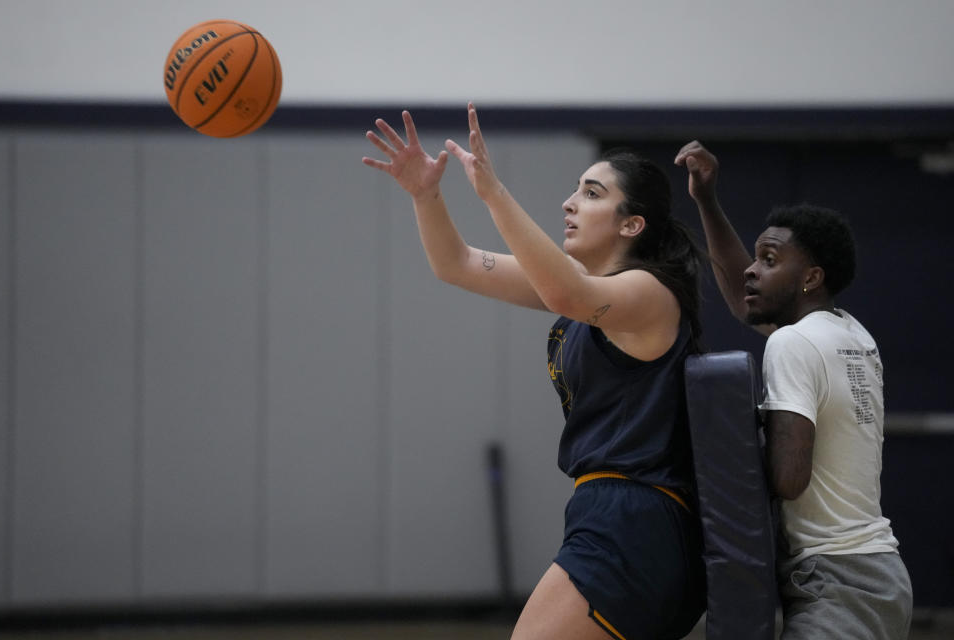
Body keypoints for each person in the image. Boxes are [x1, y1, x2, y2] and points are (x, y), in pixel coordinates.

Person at [363, 104, 706, 640]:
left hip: (640, 518)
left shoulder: (650, 293)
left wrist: (493, 192)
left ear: (631, 224)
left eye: (593, 194)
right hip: (607, 513)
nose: (570, 202)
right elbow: (454, 263)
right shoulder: (575, 285)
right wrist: (425, 195)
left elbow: (565, 294)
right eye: (576, 189)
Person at [675, 141, 913, 639]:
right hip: (880, 574)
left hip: (837, 580)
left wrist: (722, 450)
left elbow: (788, 478)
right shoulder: (851, 333)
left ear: (810, 277)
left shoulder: (791, 343)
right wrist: (707, 201)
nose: (751, 270)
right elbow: (745, 301)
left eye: (768, 259)